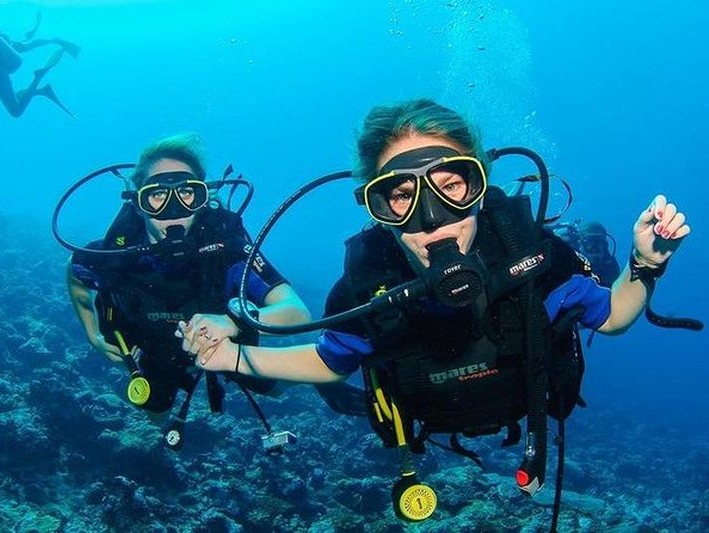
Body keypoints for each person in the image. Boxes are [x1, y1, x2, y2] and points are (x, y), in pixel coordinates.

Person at [180, 99, 694, 524]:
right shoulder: (365, 288)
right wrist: (231, 359)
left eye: (451, 186)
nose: (431, 220)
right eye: (400, 196)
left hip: (528, 410)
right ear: (376, 208)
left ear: (480, 186)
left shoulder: (534, 257)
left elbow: (612, 316)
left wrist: (644, 264)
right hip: (427, 428)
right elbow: (330, 359)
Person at [65, 134, 358, 451]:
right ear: (138, 202)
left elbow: (294, 310)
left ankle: (314, 378)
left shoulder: (226, 249)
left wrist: (233, 321)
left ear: (203, 198)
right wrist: (94, 336)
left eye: (187, 193)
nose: (174, 209)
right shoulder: (117, 253)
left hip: (227, 343)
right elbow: (76, 272)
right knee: (154, 412)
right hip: (153, 348)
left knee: (272, 388)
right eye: (157, 196)